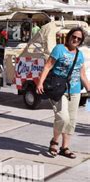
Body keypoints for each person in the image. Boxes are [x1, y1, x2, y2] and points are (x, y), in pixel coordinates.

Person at [36, 26, 90, 158]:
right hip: (58, 89)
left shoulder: (80, 54)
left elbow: (82, 75)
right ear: (69, 36)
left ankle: (64, 147)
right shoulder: (59, 49)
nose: (75, 40)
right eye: (74, 37)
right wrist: (40, 82)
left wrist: (89, 88)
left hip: (75, 90)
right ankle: (54, 141)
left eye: (79, 39)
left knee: (71, 120)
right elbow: (48, 66)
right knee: (63, 117)